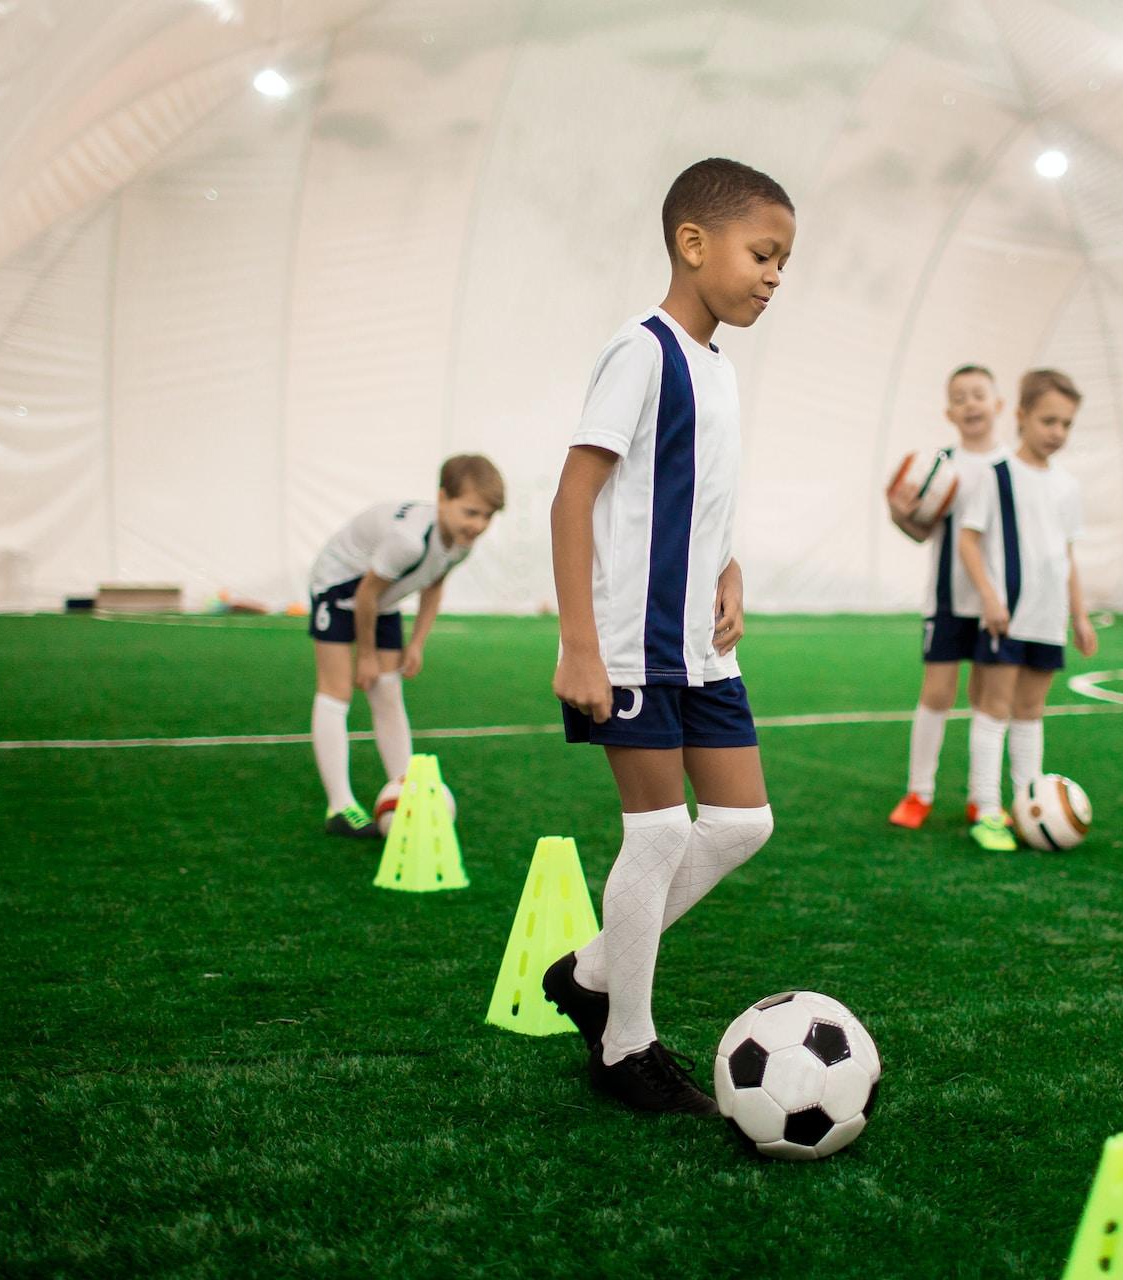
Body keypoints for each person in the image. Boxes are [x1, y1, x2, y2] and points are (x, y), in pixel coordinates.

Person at [541, 157, 794, 1115]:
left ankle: (591, 972)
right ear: (694, 244)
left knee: (742, 823)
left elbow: (703, 493)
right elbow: (575, 495)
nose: (775, 275)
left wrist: (730, 568)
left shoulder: (719, 368)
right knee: (655, 835)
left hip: (702, 644)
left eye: (784, 263)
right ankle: (625, 1046)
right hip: (632, 640)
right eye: (762, 254)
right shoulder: (641, 350)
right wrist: (578, 643)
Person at [304, 456, 504, 837]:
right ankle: (340, 807)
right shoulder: (408, 541)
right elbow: (365, 596)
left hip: (382, 596)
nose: (477, 525)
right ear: (442, 497)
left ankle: (407, 790)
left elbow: (434, 584)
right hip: (341, 585)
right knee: (337, 690)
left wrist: (417, 643)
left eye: (487, 516)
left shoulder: (462, 542)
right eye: (470, 512)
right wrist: (365, 656)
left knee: (389, 690)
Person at [956, 369, 1099, 851]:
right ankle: (986, 809)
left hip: (1048, 618)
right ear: (1021, 417)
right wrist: (991, 599)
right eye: (1048, 421)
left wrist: (1078, 615)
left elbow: (1068, 556)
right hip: (1006, 617)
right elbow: (969, 542)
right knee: (995, 709)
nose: (1057, 432)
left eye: (1066, 424)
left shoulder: (1067, 486)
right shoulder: (996, 476)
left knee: (1031, 713)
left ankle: (1027, 805)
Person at [886, 364, 1008, 830]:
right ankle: (919, 794)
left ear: (997, 404)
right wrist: (900, 514)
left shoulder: (1010, 468)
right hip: (946, 599)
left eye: (979, 394)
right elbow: (921, 532)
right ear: (948, 411)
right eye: (960, 397)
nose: (970, 403)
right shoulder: (938, 467)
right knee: (937, 693)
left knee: (986, 697)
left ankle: (982, 796)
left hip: (995, 604)